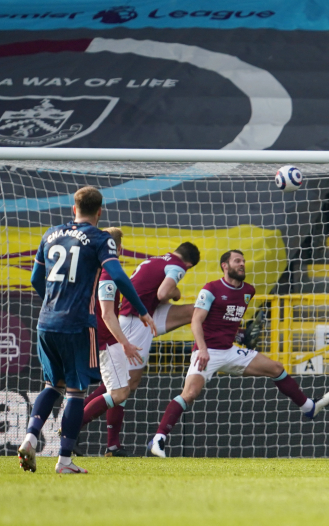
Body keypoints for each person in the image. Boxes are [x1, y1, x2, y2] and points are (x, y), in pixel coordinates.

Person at [18, 186, 155, 474]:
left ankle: (31, 437)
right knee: (75, 392)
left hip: (46, 321)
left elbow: (34, 279)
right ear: (100, 211)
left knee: (51, 385)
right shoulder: (100, 238)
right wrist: (141, 310)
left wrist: (52, 302)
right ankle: (64, 461)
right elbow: (116, 274)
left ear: (73, 208)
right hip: (77, 324)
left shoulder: (50, 234)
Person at [148, 249, 329, 457]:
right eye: (237, 261)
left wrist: (241, 335)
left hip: (229, 350)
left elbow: (225, 323)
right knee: (190, 393)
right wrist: (201, 349)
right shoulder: (210, 289)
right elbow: (196, 321)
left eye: (243, 261)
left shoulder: (248, 291)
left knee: (276, 368)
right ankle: (158, 439)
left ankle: (308, 407)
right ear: (225, 266)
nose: (242, 264)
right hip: (207, 351)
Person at [82, 240, 200, 454]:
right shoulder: (178, 266)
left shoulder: (154, 260)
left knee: (197, 310)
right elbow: (163, 294)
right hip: (136, 320)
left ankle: (112, 445)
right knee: (123, 385)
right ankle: (74, 423)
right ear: (190, 264)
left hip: (139, 316)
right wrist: (176, 293)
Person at [78, 228, 145, 456]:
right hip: (106, 340)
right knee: (119, 393)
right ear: (118, 248)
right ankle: (71, 427)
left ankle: (113, 446)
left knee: (114, 389)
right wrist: (124, 343)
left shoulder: (93, 271)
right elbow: (107, 315)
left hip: (101, 338)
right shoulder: (107, 275)